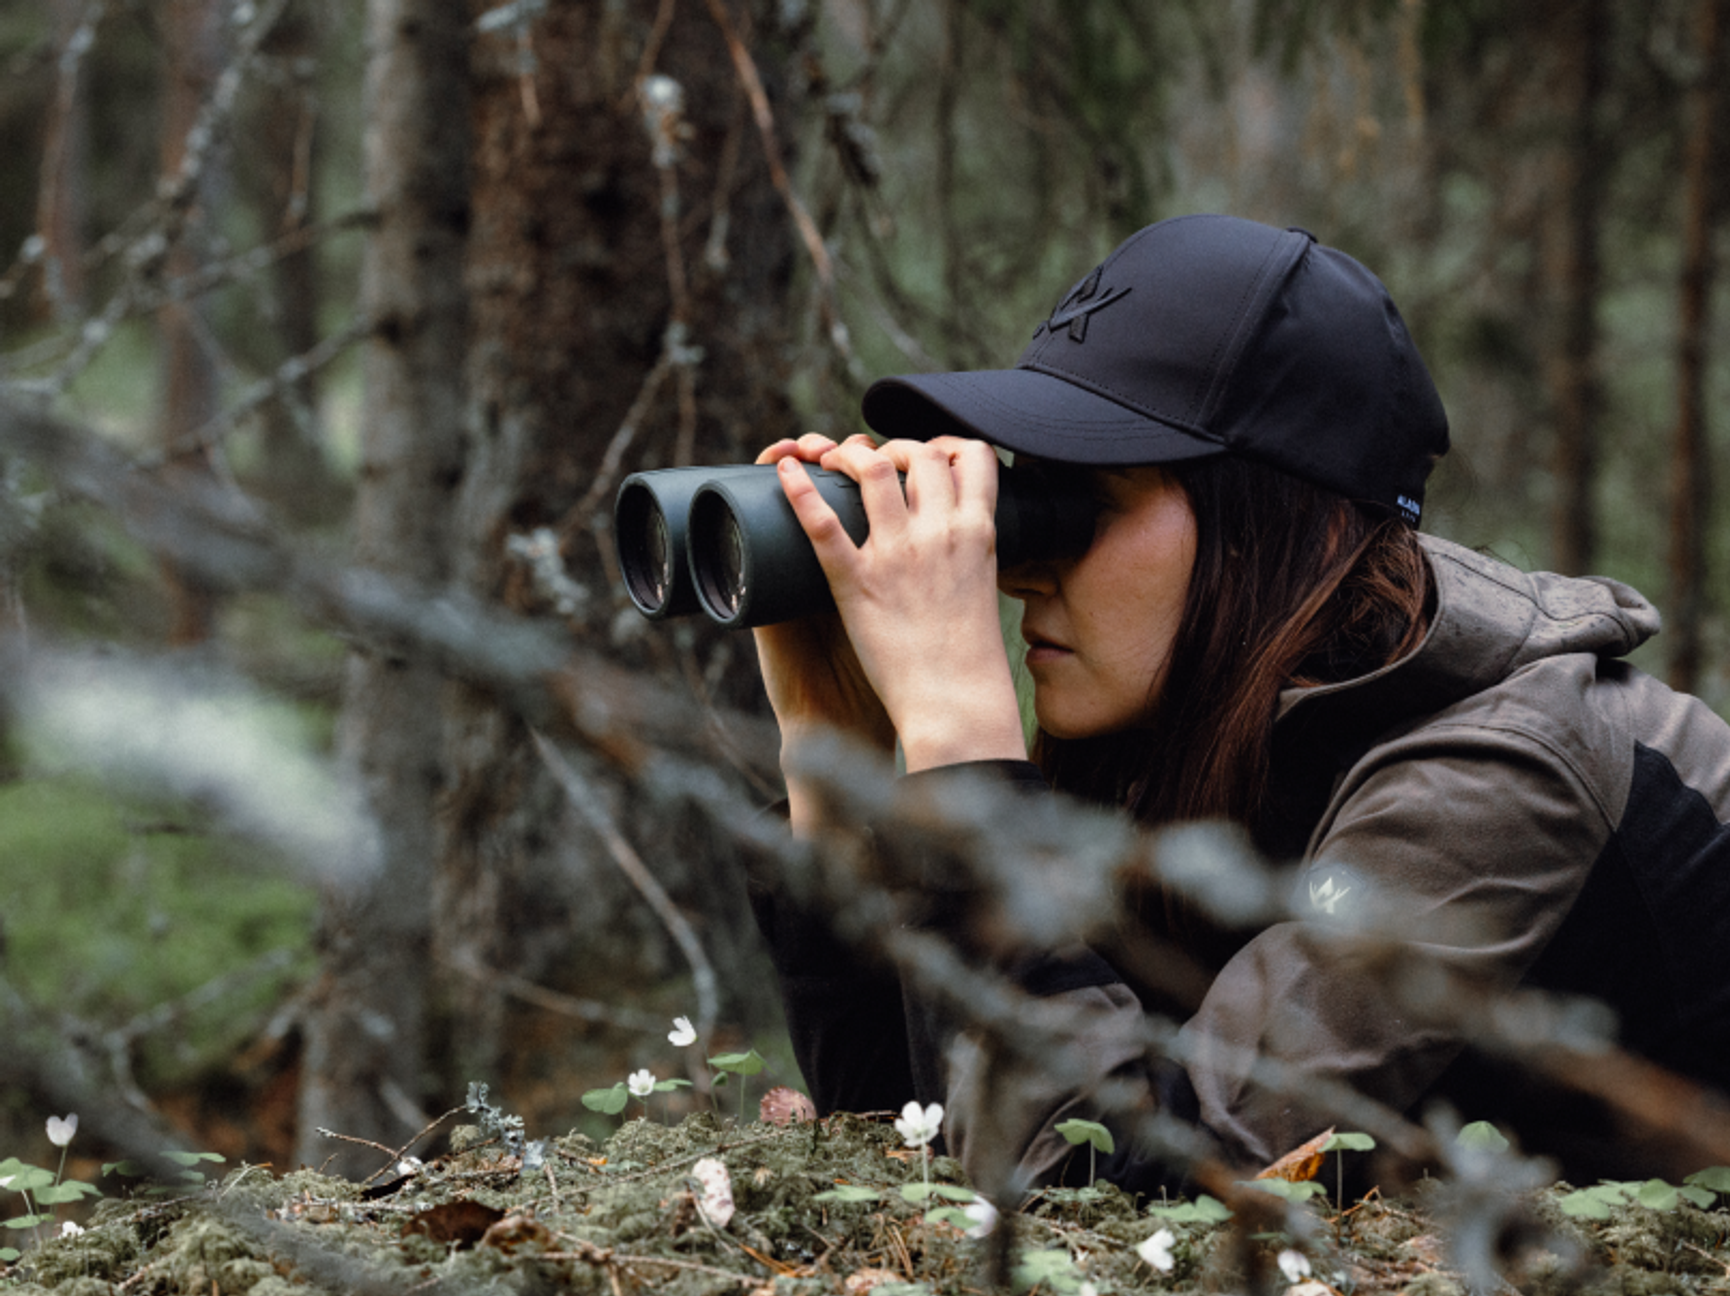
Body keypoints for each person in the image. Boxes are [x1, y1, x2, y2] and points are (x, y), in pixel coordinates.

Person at [742, 214, 1730, 1192]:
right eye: (1026, 500)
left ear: (1268, 535)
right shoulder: (1200, 729)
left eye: (1086, 506)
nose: (1017, 572)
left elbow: (1116, 1201)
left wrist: (961, 744)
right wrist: (841, 778)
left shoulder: (1500, 773)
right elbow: (906, 1134)